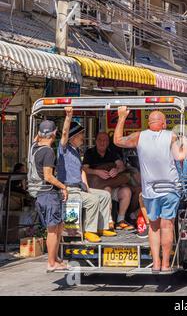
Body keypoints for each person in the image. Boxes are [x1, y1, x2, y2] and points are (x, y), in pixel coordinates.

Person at [114, 107, 187, 274]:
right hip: (170, 189)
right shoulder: (172, 136)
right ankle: (165, 264)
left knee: (153, 227)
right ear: (164, 124)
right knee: (167, 226)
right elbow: (180, 156)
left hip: (150, 191)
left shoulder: (139, 136)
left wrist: (121, 117)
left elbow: (118, 140)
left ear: (149, 123)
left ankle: (155, 264)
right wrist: (186, 142)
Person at [57, 107, 116, 243]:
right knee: (92, 200)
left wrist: (87, 188)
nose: (83, 137)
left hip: (79, 188)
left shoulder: (76, 151)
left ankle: (103, 227)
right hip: (68, 189)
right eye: (81, 134)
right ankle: (89, 231)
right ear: (73, 137)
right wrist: (68, 116)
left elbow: (81, 171)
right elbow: (65, 132)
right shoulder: (64, 149)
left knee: (105, 195)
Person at [28, 120, 69, 272]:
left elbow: (35, 138)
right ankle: (51, 262)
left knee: (58, 226)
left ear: (39, 134)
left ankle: (56, 258)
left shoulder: (33, 147)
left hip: (40, 195)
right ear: (53, 134)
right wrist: (64, 187)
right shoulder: (48, 152)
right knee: (52, 229)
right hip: (48, 194)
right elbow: (48, 176)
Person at [83, 132, 133, 231]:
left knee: (126, 191)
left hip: (112, 184)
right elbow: (84, 169)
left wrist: (117, 170)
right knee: (107, 189)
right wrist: (97, 172)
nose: (102, 142)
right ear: (95, 141)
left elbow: (121, 166)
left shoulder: (112, 153)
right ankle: (109, 221)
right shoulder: (89, 153)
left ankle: (120, 220)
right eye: (100, 140)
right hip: (96, 187)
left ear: (108, 142)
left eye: (105, 140)